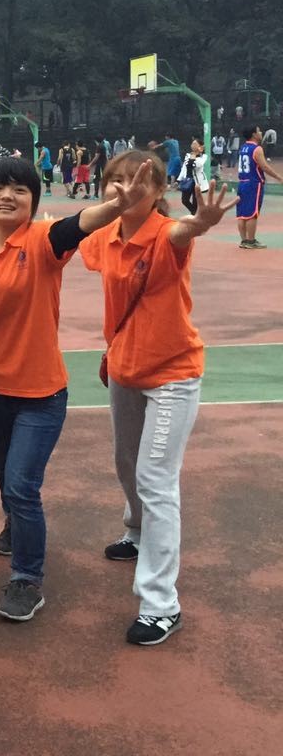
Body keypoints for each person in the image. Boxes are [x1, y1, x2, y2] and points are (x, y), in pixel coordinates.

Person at [0, 157, 153, 622]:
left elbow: (79, 224)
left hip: (40, 395)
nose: (7, 196)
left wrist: (116, 206)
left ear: (33, 201)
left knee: (21, 485)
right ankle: (15, 526)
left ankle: (26, 579)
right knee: (4, 472)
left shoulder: (41, 240)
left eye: (20, 189)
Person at [81, 149, 236, 645]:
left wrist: (201, 223)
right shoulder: (105, 235)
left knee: (155, 479)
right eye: (117, 180)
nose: (126, 189)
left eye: (140, 182)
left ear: (160, 191)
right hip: (125, 369)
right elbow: (76, 237)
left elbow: (181, 233)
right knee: (126, 464)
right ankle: (136, 531)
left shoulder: (166, 234)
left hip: (173, 374)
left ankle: (160, 604)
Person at [236, 124, 283, 247]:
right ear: (254, 134)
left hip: (242, 183)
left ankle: (244, 240)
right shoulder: (257, 149)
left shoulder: (243, 147)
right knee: (253, 213)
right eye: (259, 131)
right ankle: (251, 241)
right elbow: (264, 167)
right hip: (253, 184)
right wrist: (279, 177)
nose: (261, 133)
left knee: (242, 214)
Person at [175, 139, 209, 215]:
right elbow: (184, 168)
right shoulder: (188, 155)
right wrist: (178, 180)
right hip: (187, 180)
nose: (193, 145)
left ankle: (194, 215)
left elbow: (198, 165)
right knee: (184, 200)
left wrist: (194, 156)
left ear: (200, 146)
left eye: (195, 144)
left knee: (195, 201)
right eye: (192, 144)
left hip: (197, 182)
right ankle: (195, 213)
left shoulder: (204, 156)